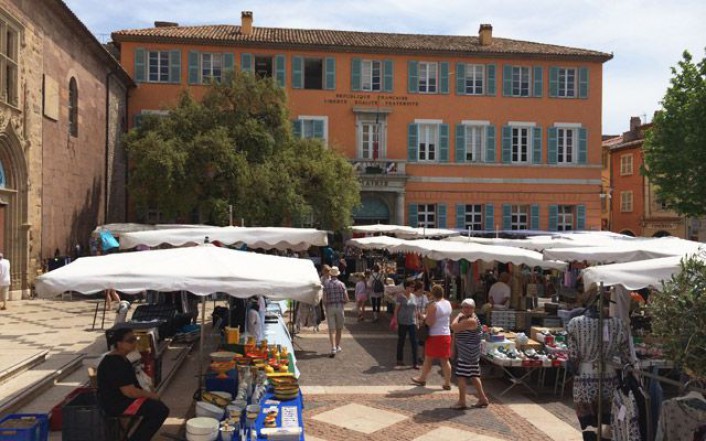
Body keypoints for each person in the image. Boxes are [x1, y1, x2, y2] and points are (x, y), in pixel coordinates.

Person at [97, 328, 169, 441]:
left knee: (156, 407)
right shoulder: (114, 363)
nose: (135, 342)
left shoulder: (121, 358)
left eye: (135, 339)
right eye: (130, 340)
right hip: (117, 404)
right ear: (119, 344)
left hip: (122, 399)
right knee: (160, 410)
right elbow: (129, 392)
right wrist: (151, 395)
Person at [450, 298, 489, 409]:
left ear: (473, 309)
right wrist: (453, 349)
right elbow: (456, 333)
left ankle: (462, 401)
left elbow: (453, 326)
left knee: (461, 376)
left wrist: (458, 316)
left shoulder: (471, 320)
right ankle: (483, 399)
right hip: (469, 353)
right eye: (465, 307)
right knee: (474, 375)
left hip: (468, 354)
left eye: (470, 307)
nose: (467, 309)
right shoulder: (465, 318)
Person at [411, 284, 452, 390]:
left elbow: (430, 322)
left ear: (433, 294)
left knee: (428, 358)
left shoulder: (433, 305)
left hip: (435, 335)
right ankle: (447, 382)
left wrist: (423, 317)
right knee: (445, 360)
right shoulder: (447, 303)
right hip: (446, 334)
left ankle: (422, 379)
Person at [322, 266, 349, 357]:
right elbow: (346, 299)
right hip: (339, 307)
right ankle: (337, 346)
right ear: (337, 275)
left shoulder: (326, 284)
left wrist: (326, 305)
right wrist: (342, 302)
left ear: (330, 274)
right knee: (339, 328)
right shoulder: (341, 284)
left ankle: (333, 347)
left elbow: (324, 298)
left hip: (330, 307)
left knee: (331, 329)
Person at [394, 280, 419, 369]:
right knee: (401, 341)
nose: (412, 289)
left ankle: (415, 362)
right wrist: (396, 321)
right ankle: (399, 360)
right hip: (402, 322)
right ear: (406, 287)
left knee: (414, 342)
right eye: (410, 287)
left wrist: (417, 321)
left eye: (413, 287)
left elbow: (416, 310)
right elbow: (396, 310)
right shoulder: (400, 296)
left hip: (412, 322)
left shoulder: (414, 296)